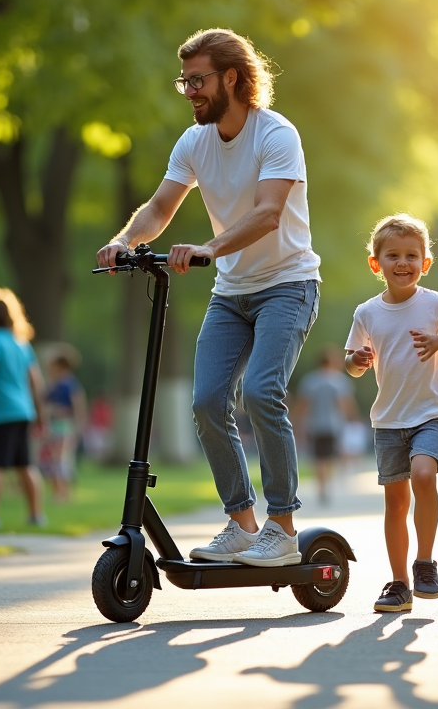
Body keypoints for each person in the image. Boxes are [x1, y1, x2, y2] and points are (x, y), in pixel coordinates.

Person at [96, 28, 320, 567]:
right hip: (233, 293)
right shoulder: (194, 142)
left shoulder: (276, 134)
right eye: (186, 82)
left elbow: (269, 214)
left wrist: (210, 248)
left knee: (262, 392)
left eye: (198, 80)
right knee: (206, 401)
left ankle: (282, 527)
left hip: (287, 286)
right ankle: (243, 523)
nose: (191, 91)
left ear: (232, 78)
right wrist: (125, 241)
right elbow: (159, 206)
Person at [345, 214, 438, 612]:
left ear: (425, 263)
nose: (403, 263)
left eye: (412, 256)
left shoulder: (437, 304)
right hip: (389, 418)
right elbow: (351, 361)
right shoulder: (366, 312)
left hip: (431, 412)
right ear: (376, 264)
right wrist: (359, 360)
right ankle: (399, 584)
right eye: (393, 255)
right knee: (395, 503)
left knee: (423, 474)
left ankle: (424, 562)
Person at [0, 288, 47, 528]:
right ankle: (36, 515)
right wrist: (39, 412)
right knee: (25, 465)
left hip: (2, 412)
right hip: (23, 411)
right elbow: (36, 381)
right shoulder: (20, 342)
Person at [294, 346, 358, 505]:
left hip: (315, 425)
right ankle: (330, 484)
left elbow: (304, 405)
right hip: (334, 424)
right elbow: (345, 403)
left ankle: (322, 487)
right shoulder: (339, 381)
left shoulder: (310, 381)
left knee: (319, 457)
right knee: (330, 456)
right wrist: (353, 418)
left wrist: (298, 423)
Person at [39, 349, 88, 502]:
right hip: (53, 426)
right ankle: (57, 491)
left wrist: (79, 425)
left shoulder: (69, 384)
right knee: (51, 459)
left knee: (60, 460)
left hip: (64, 426)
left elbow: (77, 405)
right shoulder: (53, 384)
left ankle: (63, 493)